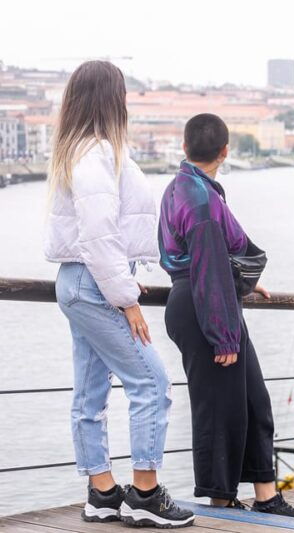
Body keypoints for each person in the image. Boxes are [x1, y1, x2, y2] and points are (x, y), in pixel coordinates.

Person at [45, 60, 194, 528]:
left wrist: (128, 275)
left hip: (81, 283)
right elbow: (98, 237)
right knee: (152, 383)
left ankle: (103, 492)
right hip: (96, 285)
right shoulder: (95, 157)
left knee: (90, 393)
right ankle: (145, 495)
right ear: (112, 99)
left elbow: (104, 236)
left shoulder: (82, 151)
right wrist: (127, 298)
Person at [159, 113, 294, 519]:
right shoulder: (202, 200)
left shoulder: (181, 187)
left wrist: (239, 284)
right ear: (226, 151)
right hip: (205, 307)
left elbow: (200, 260)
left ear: (184, 146)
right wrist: (223, 335)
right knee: (219, 409)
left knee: (252, 401)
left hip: (203, 298)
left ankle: (265, 496)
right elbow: (206, 264)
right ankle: (221, 504)